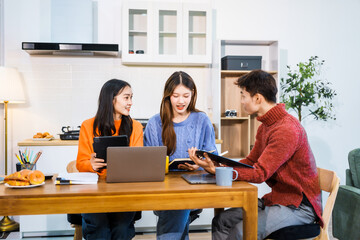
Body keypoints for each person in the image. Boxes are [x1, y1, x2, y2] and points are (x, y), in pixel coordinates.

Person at [188, 69, 323, 240]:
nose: (242, 101)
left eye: (243, 96)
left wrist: (222, 171)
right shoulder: (266, 126)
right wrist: (217, 166)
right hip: (278, 199)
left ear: (258, 98)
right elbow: (251, 161)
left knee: (240, 231)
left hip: (298, 207)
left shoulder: (286, 130)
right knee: (221, 221)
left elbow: (259, 173)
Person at [144, 71, 217, 239]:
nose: (181, 101)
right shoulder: (155, 123)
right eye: (175, 96)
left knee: (178, 204)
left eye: (186, 95)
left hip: (194, 187)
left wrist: (199, 164)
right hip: (162, 190)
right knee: (176, 205)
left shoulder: (202, 120)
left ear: (193, 95)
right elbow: (147, 162)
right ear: (168, 96)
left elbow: (214, 159)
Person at [76, 79, 143, 240]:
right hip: (94, 191)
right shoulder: (88, 125)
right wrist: (90, 164)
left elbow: (138, 163)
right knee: (100, 229)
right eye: (126, 98)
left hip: (124, 192)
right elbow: (80, 163)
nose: (130, 102)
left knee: (121, 228)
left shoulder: (136, 127)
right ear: (111, 99)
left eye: (131, 98)